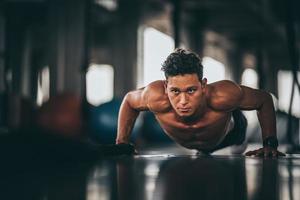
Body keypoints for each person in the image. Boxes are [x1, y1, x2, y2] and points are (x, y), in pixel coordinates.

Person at [116, 48, 285, 157]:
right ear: (166, 86)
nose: (183, 101)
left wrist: (269, 143)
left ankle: (237, 115)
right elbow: (129, 101)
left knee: (235, 116)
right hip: (196, 143)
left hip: (227, 136)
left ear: (203, 85)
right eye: (175, 91)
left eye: (191, 90)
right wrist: (122, 143)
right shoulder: (154, 96)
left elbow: (264, 99)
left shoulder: (223, 95)